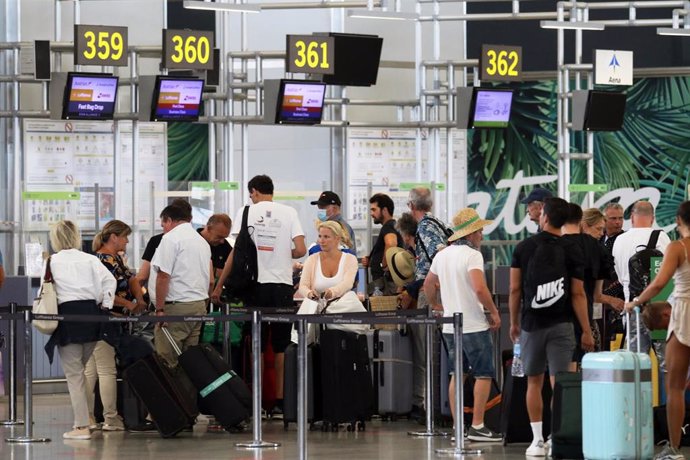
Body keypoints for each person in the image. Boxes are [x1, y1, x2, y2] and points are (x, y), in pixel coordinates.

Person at [213, 175, 306, 419]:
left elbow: (237, 253)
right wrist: (282, 252)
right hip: (282, 286)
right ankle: (281, 402)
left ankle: (256, 400)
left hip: (255, 285)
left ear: (253, 192)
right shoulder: (289, 212)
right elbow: (301, 250)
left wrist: (218, 287)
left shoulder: (246, 212)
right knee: (281, 347)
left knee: (256, 344)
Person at [509, 197, 594, 457]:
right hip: (562, 325)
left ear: (544, 216)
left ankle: (536, 441)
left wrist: (514, 322)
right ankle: (555, 439)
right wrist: (587, 329)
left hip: (532, 325)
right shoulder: (572, 249)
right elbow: (578, 294)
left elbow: (514, 289)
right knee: (560, 382)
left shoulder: (523, 248)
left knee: (533, 382)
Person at [423, 208, 502, 442]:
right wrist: (494, 311)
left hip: (450, 326)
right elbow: (479, 288)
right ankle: (477, 425)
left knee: (457, 374)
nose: (482, 235)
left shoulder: (443, 255)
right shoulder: (473, 255)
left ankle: (458, 427)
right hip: (474, 325)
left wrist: (437, 305)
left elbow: (428, 283)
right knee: (484, 374)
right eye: (479, 231)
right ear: (470, 233)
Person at [624, 201, 690, 460]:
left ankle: (674, 448)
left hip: (684, 313)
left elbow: (658, 283)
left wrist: (636, 302)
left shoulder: (677, 247)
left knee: (674, 387)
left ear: (678, 220)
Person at [43, 220, 116, 440]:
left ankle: (82, 426)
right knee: (81, 371)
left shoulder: (51, 261)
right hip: (92, 316)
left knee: (75, 374)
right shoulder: (90, 259)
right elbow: (109, 281)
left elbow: (45, 290)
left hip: (68, 318)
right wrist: (106, 305)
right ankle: (88, 420)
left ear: (55, 238)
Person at [86, 219, 145, 432]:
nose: (127, 241)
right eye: (125, 237)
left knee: (91, 371)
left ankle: (89, 417)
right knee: (106, 371)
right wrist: (129, 303)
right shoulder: (101, 261)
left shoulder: (116, 260)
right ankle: (110, 418)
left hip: (109, 321)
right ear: (114, 237)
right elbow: (103, 294)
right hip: (105, 320)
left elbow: (131, 280)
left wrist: (138, 298)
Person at [402, 186, 450, 422]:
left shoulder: (425, 227)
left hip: (430, 292)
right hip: (438, 291)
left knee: (428, 351)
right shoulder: (438, 223)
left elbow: (439, 257)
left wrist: (419, 286)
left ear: (411, 205)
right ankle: (435, 404)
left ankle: (430, 406)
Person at [150, 203, 212, 368]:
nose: (163, 229)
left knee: (167, 360)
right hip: (198, 306)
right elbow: (210, 279)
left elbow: (163, 276)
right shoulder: (202, 242)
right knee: (190, 362)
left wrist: (160, 309)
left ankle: (171, 394)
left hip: (176, 308)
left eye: (163, 224)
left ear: (169, 220)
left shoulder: (171, 239)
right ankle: (188, 394)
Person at [562, 204, 621, 360]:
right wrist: (613, 300)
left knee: (563, 367)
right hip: (584, 316)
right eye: (598, 229)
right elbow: (595, 295)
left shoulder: (557, 244)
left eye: (603, 230)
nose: (601, 234)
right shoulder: (598, 250)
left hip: (560, 316)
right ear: (584, 225)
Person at [612, 200, 671, 353]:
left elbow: (619, 276)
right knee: (664, 361)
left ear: (632, 217)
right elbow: (668, 275)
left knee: (636, 358)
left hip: (632, 306)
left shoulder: (619, 240)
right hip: (659, 308)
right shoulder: (661, 237)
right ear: (652, 218)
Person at [135, 199, 193, 294]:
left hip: (166, 300)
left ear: (169, 217)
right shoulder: (200, 241)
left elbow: (143, 276)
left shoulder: (158, 240)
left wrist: (133, 297)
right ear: (190, 218)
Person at [298, 221, 358, 300]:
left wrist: (332, 292)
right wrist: (309, 294)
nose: (321, 241)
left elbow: (348, 283)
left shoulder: (350, 259)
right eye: (320, 236)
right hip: (318, 308)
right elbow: (302, 286)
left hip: (344, 307)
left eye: (326, 237)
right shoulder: (311, 260)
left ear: (337, 239)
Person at [362, 193, 403, 295]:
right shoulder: (394, 226)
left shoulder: (388, 226)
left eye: (374, 210)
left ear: (384, 210)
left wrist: (384, 265)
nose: (371, 213)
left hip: (385, 285)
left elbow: (391, 243)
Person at [198, 213, 232, 281]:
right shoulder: (194, 243)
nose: (222, 241)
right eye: (219, 237)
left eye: (224, 237)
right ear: (209, 228)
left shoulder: (224, 245)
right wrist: (215, 272)